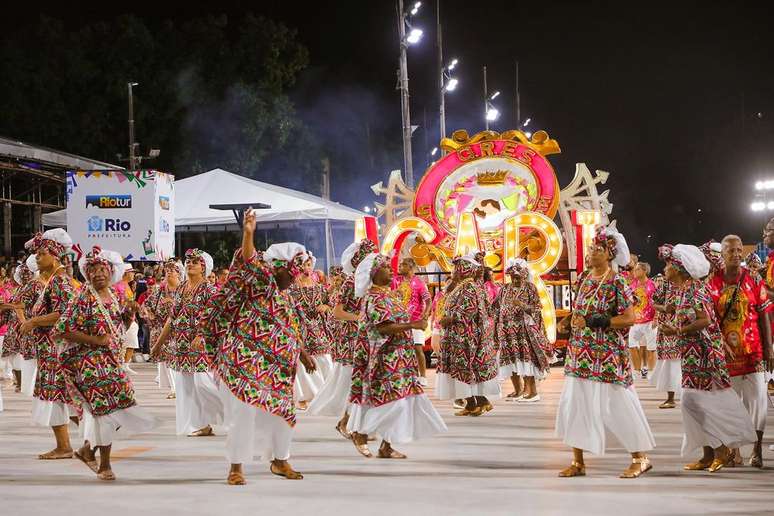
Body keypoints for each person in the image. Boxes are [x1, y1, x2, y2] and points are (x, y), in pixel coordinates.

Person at [200, 208, 315, 484]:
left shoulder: (286, 296)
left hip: (277, 366)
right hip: (244, 361)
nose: (295, 278)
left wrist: (302, 353)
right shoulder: (261, 281)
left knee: (283, 411)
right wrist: (248, 234)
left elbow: (287, 328)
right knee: (243, 412)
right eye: (292, 272)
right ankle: (236, 467)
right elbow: (250, 260)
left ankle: (280, 460)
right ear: (279, 268)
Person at [555, 226, 654, 478]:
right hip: (580, 355)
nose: (591, 253)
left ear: (610, 254)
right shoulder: (584, 279)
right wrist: (568, 321)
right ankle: (578, 462)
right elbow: (581, 309)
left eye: (597, 250)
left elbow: (629, 318)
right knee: (575, 405)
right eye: (590, 248)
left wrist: (597, 322)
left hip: (608, 358)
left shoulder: (617, 281)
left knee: (618, 406)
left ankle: (641, 458)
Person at [56, 246, 157, 481]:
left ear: (111, 272)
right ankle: (104, 465)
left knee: (123, 404)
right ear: (87, 274)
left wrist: (129, 314)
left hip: (111, 361)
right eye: (94, 270)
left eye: (103, 269)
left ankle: (87, 449)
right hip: (87, 361)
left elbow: (115, 325)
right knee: (105, 412)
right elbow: (62, 330)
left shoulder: (113, 296)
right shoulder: (82, 297)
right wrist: (94, 340)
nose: (99, 274)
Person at [659, 243, 757, 472]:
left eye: (668, 266)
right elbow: (680, 312)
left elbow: (706, 321)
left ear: (679, 268)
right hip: (690, 356)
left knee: (702, 403)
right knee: (692, 404)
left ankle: (721, 450)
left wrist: (678, 331)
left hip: (705, 355)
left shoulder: (696, 289)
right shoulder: (682, 290)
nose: (665, 270)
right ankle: (706, 455)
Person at [347, 252, 447, 458]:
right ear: (374, 274)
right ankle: (360, 433)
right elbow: (383, 328)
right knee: (393, 402)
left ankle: (386, 446)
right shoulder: (373, 298)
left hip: (400, 358)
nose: (390, 269)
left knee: (403, 401)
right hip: (386, 359)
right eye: (384, 267)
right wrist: (413, 324)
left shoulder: (387, 295)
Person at [707, 235, 772, 468]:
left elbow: (764, 315)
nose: (736, 254)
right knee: (731, 404)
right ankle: (734, 450)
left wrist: (769, 350)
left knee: (758, 402)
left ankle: (757, 449)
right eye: (730, 251)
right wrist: (719, 344)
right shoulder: (712, 283)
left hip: (753, 352)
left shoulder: (753, 279)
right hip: (727, 355)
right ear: (722, 255)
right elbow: (710, 320)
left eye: (738, 250)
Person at [307, 239, 377, 438]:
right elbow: (337, 312)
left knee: (362, 382)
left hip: (366, 337)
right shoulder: (349, 282)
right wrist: (360, 318)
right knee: (354, 382)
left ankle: (350, 423)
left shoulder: (370, 282)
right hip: (350, 339)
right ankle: (351, 424)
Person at [152, 248, 223, 436]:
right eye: (188, 261)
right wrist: (158, 344)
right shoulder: (182, 288)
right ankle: (200, 425)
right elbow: (171, 318)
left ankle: (235, 413)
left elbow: (216, 317)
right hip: (181, 346)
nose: (190, 263)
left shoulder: (210, 290)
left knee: (204, 384)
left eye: (195, 261)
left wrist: (202, 335)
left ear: (204, 267)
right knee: (186, 389)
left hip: (202, 346)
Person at [18, 229, 76, 459]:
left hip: (56, 349)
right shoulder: (53, 280)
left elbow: (64, 312)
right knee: (59, 396)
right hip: (50, 349)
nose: (37, 258)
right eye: (37, 254)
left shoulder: (60, 281)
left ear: (55, 256)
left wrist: (33, 321)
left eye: (42, 254)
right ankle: (66, 445)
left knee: (56, 395)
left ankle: (66, 446)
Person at [436, 254, 500, 416]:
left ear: (465, 270)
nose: (454, 271)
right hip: (459, 334)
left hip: (465, 336)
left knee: (465, 369)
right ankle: (476, 403)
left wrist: (450, 319)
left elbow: (469, 310)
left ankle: (476, 403)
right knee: (465, 370)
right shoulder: (463, 286)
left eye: (457, 268)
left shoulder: (470, 287)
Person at [495, 258, 551, 402]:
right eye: (512, 277)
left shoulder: (530, 288)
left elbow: (537, 308)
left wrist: (522, 305)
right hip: (507, 332)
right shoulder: (504, 289)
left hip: (524, 332)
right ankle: (518, 390)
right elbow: (495, 307)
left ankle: (532, 392)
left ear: (524, 275)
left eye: (518, 277)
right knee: (512, 361)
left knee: (526, 361)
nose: (515, 280)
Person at [289, 252, 328, 410]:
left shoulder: (319, 287)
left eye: (310, 264)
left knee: (324, 359)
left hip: (319, 329)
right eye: (305, 264)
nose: (308, 267)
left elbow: (329, 303)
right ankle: (306, 396)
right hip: (300, 328)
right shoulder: (292, 289)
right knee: (301, 361)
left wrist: (325, 307)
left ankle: (324, 395)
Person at [141, 260, 183, 398]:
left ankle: (178, 388)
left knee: (174, 359)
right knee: (166, 360)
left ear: (179, 274)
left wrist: (172, 303)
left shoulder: (183, 289)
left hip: (177, 331)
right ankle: (175, 388)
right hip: (160, 330)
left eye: (172, 270)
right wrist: (149, 313)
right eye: (167, 270)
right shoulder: (160, 290)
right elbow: (146, 305)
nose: (169, 272)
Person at [391, 257, 431, 386]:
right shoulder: (396, 281)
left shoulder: (419, 283)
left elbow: (428, 301)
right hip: (399, 321)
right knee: (399, 350)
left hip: (415, 321)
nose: (400, 267)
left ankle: (423, 376)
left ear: (410, 267)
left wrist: (425, 315)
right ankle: (403, 376)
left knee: (418, 349)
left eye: (403, 265)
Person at [650, 273, 682, 408]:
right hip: (668, 329)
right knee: (670, 364)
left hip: (687, 328)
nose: (665, 268)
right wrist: (664, 308)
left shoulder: (692, 284)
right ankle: (671, 398)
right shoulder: (666, 284)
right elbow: (653, 302)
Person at [628, 262, 657, 379]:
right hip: (635, 321)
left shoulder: (652, 285)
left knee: (651, 348)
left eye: (638, 269)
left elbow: (658, 302)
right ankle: (636, 371)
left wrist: (656, 317)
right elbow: (628, 301)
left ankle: (651, 372)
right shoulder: (632, 285)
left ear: (645, 271)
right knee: (632, 345)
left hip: (650, 321)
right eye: (635, 269)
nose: (635, 271)